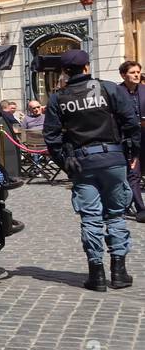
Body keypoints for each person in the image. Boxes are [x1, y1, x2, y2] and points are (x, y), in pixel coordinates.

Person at [43, 49, 140, 290]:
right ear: (87, 67)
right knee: (116, 215)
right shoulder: (109, 89)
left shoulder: (59, 98)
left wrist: (64, 162)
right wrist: (132, 154)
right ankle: (119, 272)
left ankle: (96, 275)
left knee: (91, 219)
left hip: (82, 163)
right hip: (113, 159)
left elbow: (51, 137)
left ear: (65, 71)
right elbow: (131, 123)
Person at [120, 60, 145, 222]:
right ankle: (141, 209)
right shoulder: (116, 92)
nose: (136, 75)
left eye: (138, 72)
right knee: (133, 174)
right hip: (127, 141)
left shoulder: (144, 90)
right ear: (123, 75)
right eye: (133, 72)